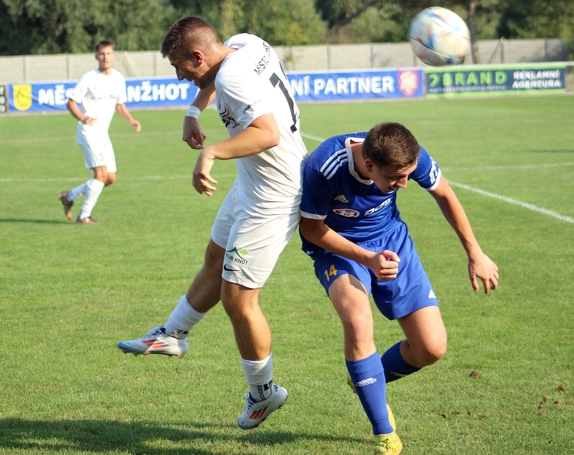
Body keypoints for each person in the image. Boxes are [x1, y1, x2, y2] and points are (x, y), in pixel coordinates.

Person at [117, 17, 308, 430]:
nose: (179, 74)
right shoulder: (244, 44)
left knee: (238, 299)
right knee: (214, 256)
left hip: (273, 195)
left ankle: (264, 392)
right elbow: (216, 78)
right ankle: (173, 334)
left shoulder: (235, 76)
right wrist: (192, 110)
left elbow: (267, 133)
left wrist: (212, 152)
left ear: (197, 55)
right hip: (252, 184)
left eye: (179, 66)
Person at [298, 122, 499, 455]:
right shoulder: (326, 165)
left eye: (408, 175)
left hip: (392, 241)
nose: (404, 184)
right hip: (338, 247)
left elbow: (445, 194)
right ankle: (384, 434)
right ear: (369, 165)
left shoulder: (406, 155)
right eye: (395, 178)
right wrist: (368, 258)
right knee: (358, 322)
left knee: (431, 348)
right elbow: (311, 229)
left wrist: (474, 252)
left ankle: (363, 379)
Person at [58, 40, 141, 224]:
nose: (105, 57)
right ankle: (84, 216)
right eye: (102, 54)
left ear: (114, 56)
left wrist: (131, 120)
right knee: (101, 176)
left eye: (108, 54)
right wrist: (83, 118)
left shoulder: (119, 78)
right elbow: (71, 102)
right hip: (88, 132)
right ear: (96, 56)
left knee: (109, 178)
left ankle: (69, 196)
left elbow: (119, 105)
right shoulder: (89, 78)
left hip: (103, 134)